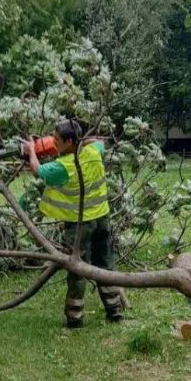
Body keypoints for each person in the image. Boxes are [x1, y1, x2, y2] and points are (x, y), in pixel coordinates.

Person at [23, 119, 124, 328]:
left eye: (57, 140)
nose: (54, 143)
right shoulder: (94, 152)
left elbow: (36, 170)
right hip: (102, 218)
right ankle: (114, 309)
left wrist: (32, 149)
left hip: (80, 225)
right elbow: (99, 141)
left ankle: (74, 316)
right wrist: (82, 140)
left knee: (78, 268)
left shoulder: (63, 167)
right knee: (105, 263)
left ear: (69, 141)